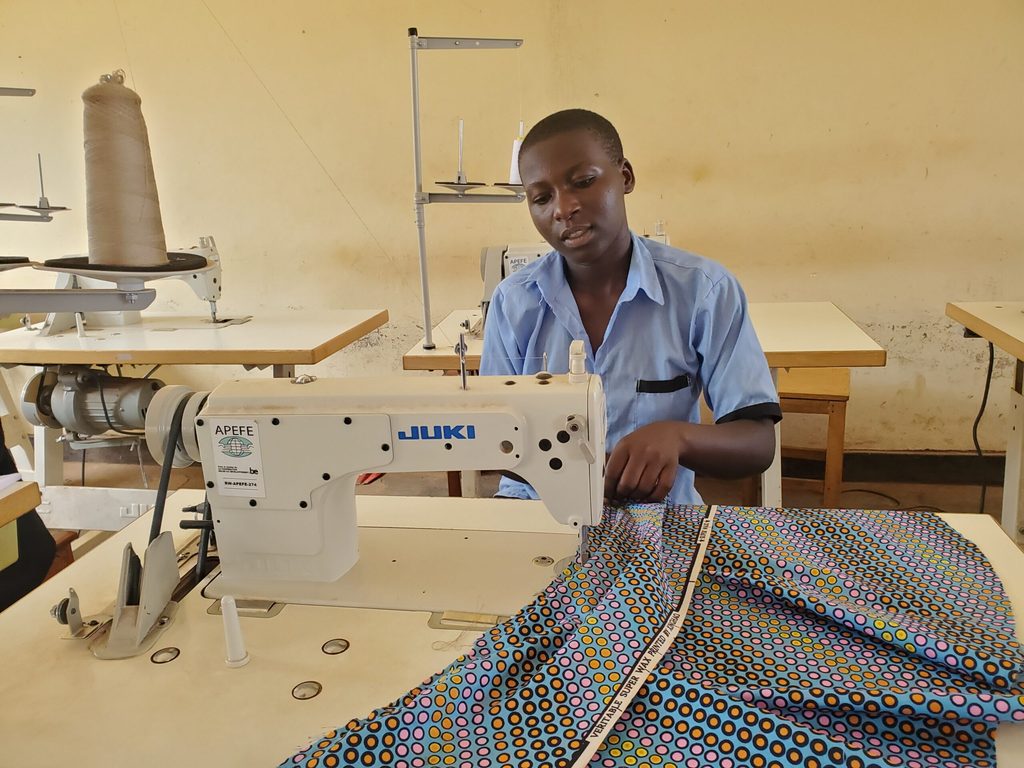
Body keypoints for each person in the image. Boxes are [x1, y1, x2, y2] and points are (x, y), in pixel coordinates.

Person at [481, 109, 781, 505]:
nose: (562, 208)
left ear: (625, 177)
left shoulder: (703, 292)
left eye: (583, 182)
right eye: (541, 197)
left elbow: (757, 442)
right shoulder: (513, 302)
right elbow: (490, 440)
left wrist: (678, 437)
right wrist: (570, 473)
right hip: (536, 508)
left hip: (657, 515)